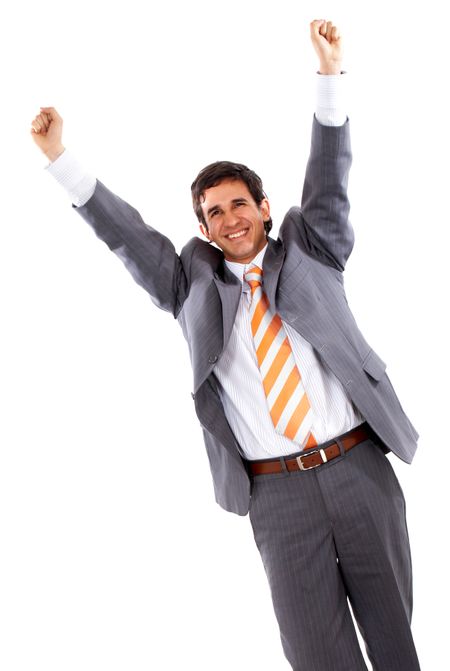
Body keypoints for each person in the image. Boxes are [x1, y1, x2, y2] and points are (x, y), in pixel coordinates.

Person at [30, 19, 421, 671]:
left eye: (239, 203)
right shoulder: (191, 283)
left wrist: (329, 76)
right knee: (316, 654)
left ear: (264, 208)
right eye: (213, 212)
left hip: (358, 470)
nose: (229, 218)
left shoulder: (311, 248)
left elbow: (331, 182)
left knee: (393, 641)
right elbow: (129, 236)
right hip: (276, 495)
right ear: (204, 228)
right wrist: (61, 159)